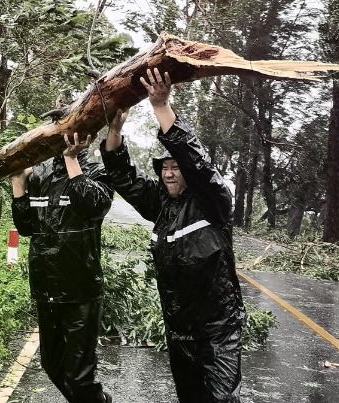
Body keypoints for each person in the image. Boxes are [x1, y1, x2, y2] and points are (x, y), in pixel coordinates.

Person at [100, 68, 246, 403]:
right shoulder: (161, 204)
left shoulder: (213, 203)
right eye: (164, 167)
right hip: (178, 328)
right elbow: (122, 176)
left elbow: (197, 163)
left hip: (217, 330)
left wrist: (162, 107)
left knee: (222, 400)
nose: (168, 172)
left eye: (175, 167)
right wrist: (114, 130)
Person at [10, 132, 114, 403]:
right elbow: (26, 227)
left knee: (79, 377)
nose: (68, 140)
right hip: (47, 289)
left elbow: (92, 205)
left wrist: (71, 159)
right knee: (52, 366)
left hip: (82, 291)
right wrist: (19, 182)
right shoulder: (40, 174)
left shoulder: (97, 172)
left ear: (88, 138)